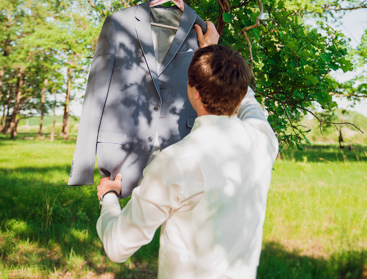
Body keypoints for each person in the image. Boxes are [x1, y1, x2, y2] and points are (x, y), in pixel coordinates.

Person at [96, 21, 280, 279]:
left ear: (193, 91)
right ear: (239, 93)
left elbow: (118, 246)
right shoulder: (264, 140)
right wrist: (215, 53)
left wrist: (109, 198)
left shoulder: (175, 162)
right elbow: (250, 106)